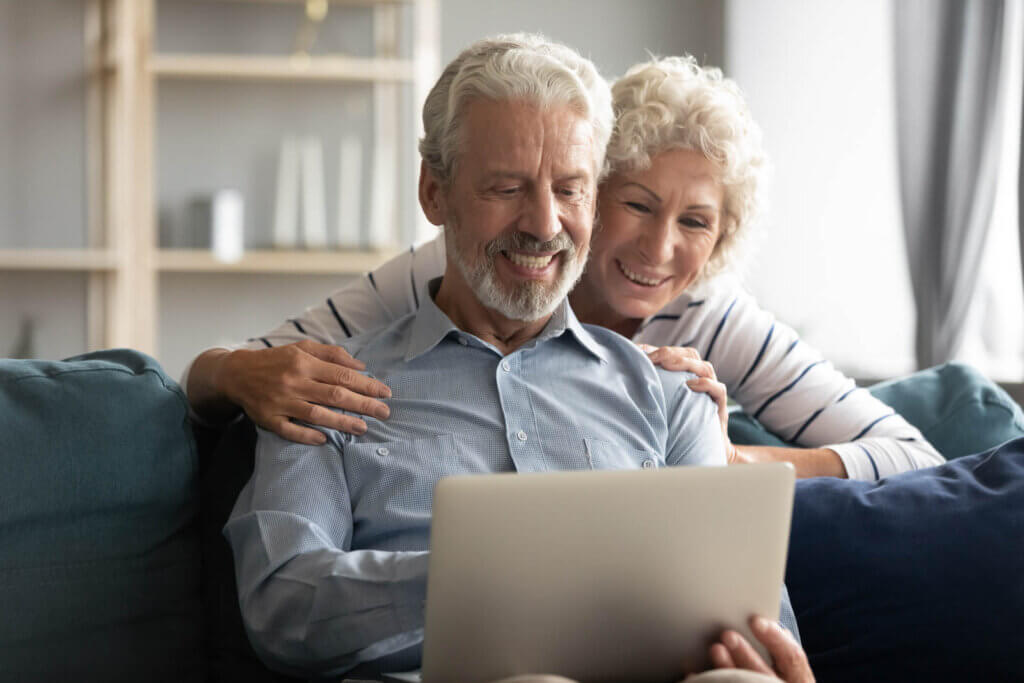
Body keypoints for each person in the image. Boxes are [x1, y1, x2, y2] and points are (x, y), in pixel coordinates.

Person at [224, 34, 812, 682]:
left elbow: (755, 620)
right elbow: (282, 604)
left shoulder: (670, 396)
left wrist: (770, 661)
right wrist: (482, 582)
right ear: (434, 193)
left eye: (570, 188)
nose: (543, 223)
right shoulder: (322, 389)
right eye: (507, 187)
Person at [183, 56, 942, 482]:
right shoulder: (458, 269)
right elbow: (236, 366)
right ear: (592, 189)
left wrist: (726, 456)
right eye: (638, 205)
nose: (659, 250)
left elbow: (911, 456)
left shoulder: (710, 313)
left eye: (696, 222)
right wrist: (233, 372)